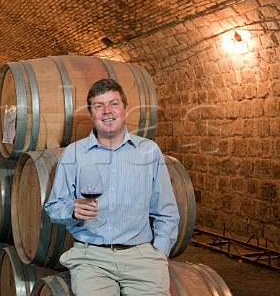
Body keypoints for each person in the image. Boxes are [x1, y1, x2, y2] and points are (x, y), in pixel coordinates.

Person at [44, 78, 180, 295]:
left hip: (142, 258)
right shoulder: (74, 153)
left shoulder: (148, 151)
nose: (107, 111)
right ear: (91, 115)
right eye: (99, 106)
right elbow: (53, 207)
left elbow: (166, 210)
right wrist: (71, 210)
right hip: (91, 259)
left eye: (113, 104)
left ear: (125, 110)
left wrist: (160, 252)